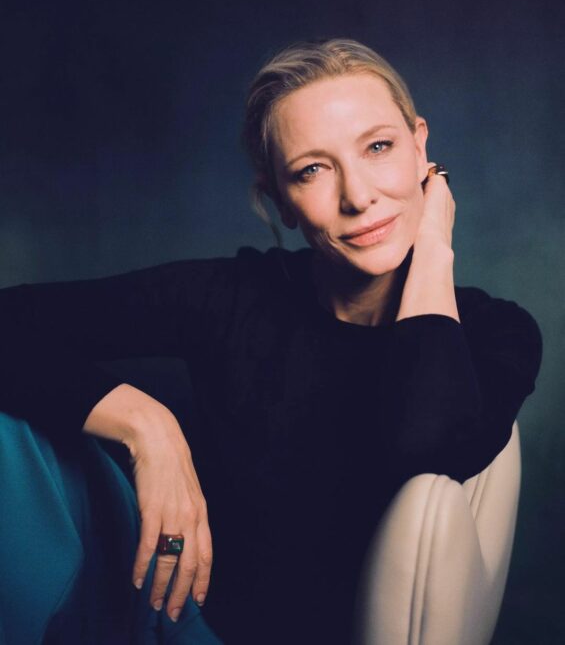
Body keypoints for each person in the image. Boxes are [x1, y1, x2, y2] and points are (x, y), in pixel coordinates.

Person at [0, 38, 542, 644]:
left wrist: (435, 242)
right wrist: (145, 427)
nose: (358, 196)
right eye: (312, 169)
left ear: (421, 147)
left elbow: (426, 443)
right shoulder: (235, 294)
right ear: (279, 200)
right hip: (176, 615)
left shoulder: (499, 332)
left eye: (379, 148)